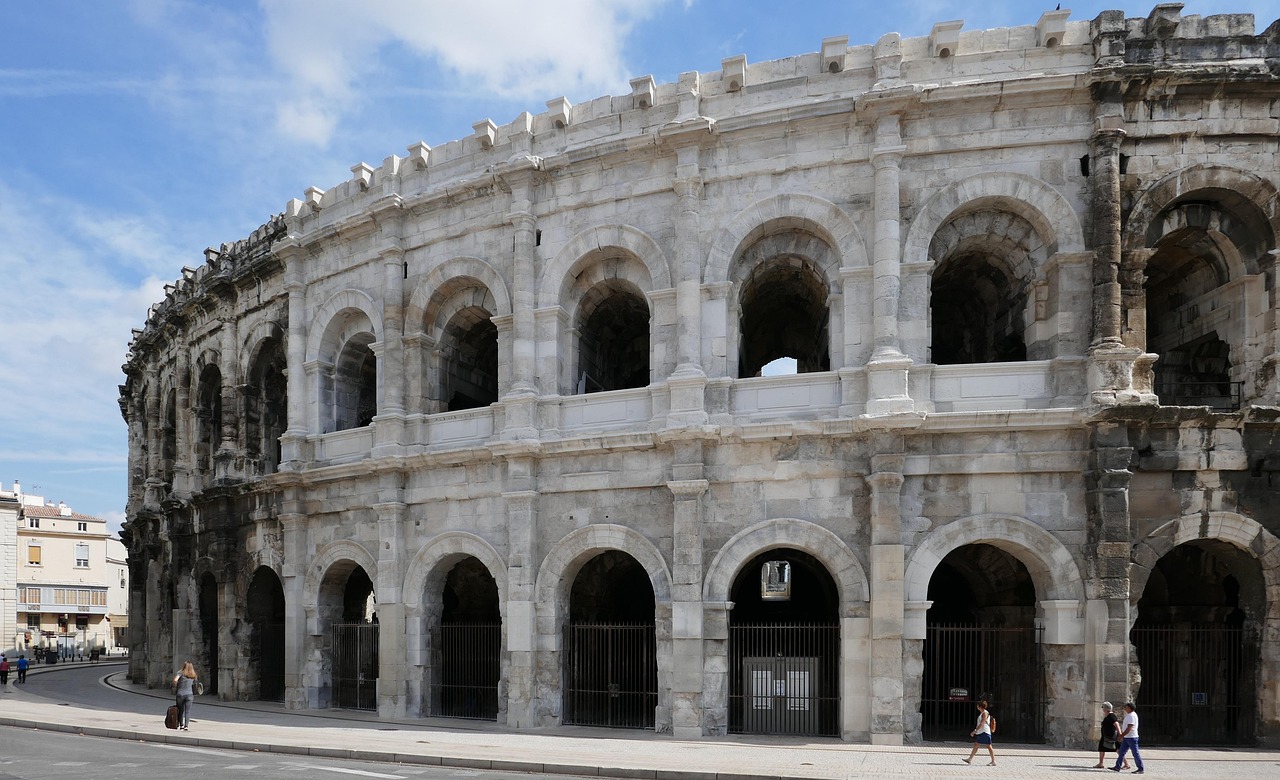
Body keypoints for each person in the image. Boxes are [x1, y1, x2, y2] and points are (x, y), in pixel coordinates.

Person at [1110, 702, 1144, 774]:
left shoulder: (1131, 716)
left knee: (1135, 753)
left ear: (1129, 708)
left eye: (1126, 707)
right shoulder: (1129, 715)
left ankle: (1140, 768)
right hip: (1127, 737)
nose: (1125, 708)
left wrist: (1121, 735)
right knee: (1121, 752)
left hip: (1132, 737)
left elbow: (1129, 727)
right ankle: (1117, 766)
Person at [1094, 702, 1130, 769]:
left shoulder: (1111, 716)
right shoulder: (1108, 716)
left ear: (1105, 709)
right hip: (1106, 736)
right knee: (1102, 748)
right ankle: (1100, 763)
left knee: (1118, 750)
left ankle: (1126, 764)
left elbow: (1117, 725)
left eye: (1103, 708)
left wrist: (1120, 735)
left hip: (1111, 736)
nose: (1103, 710)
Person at [962, 700, 996, 766]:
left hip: (984, 732)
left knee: (988, 746)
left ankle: (993, 761)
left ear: (980, 706)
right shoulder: (982, 713)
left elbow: (982, 723)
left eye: (978, 705)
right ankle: (970, 759)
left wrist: (975, 731)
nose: (977, 706)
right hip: (982, 731)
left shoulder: (985, 713)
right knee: (976, 745)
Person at [172, 661, 199, 731]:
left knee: (181, 710)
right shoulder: (193, 674)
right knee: (188, 711)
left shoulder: (180, 672)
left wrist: (176, 685)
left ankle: (181, 725)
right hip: (189, 695)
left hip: (180, 694)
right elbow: (195, 683)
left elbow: (175, 680)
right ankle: (186, 726)